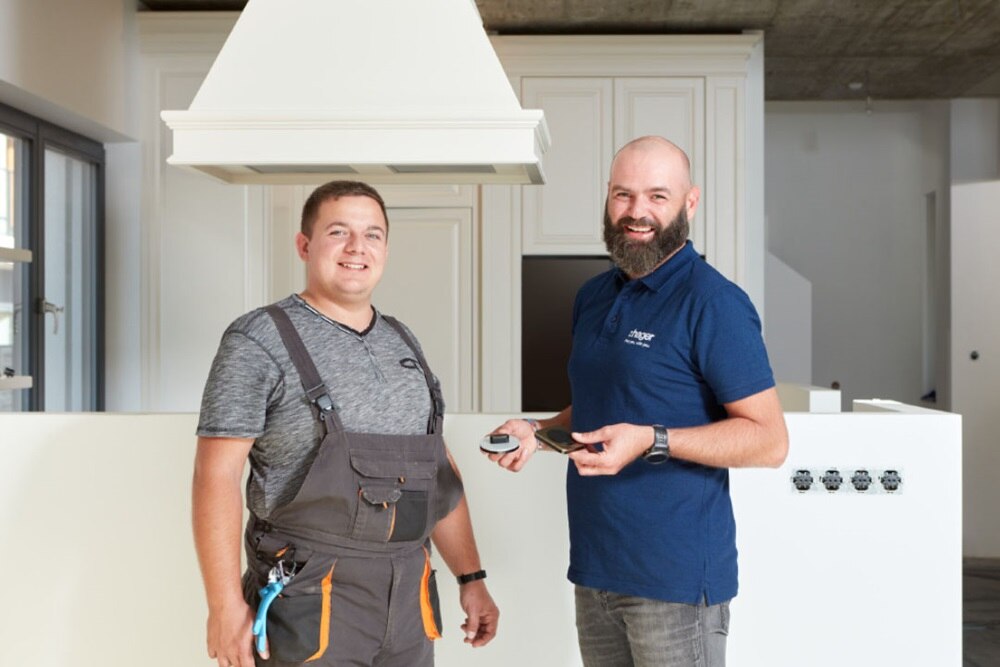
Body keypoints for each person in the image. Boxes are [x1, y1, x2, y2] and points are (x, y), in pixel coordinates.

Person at [487, 136, 788, 666]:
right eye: (623, 195)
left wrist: (652, 440)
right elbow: (601, 408)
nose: (637, 212)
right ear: (607, 197)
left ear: (689, 203)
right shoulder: (593, 296)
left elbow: (769, 440)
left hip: (673, 581)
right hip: (596, 569)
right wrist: (540, 432)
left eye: (657, 196)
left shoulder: (714, 303)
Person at [193, 180, 498, 667]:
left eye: (372, 234)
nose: (357, 248)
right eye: (339, 232)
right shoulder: (257, 339)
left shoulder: (403, 340)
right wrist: (224, 607)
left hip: (409, 597)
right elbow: (217, 475)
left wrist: (471, 577)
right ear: (304, 244)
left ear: (386, 249)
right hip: (311, 597)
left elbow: (434, 469)